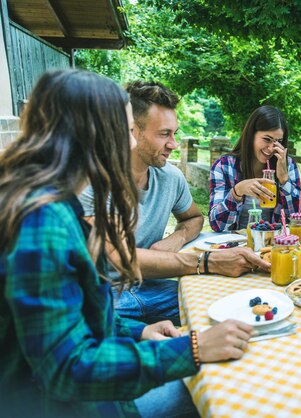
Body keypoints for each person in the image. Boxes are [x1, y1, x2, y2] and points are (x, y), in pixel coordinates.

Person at [0, 69, 254, 417]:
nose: (132, 143)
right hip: (67, 407)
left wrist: (139, 330)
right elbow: (66, 369)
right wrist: (193, 349)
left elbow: (77, 318)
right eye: (124, 131)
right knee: (218, 391)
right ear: (95, 136)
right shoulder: (43, 224)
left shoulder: (47, 204)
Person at [80, 81, 269, 326]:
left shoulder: (170, 177)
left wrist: (176, 239)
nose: (173, 144)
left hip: (153, 287)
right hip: (101, 297)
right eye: (164, 134)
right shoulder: (90, 181)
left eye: (174, 133)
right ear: (130, 130)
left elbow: (193, 218)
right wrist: (207, 262)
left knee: (237, 304)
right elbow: (119, 257)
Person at [209, 105, 301, 232]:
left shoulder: (287, 166)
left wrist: (284, 180)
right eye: (267, 139)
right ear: (251, 135)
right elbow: (217, 225)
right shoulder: (224, 166)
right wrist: (237, 192)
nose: (271, 148)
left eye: (277, 141)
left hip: (275, 246)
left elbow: (300, 220)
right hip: (236, 246)